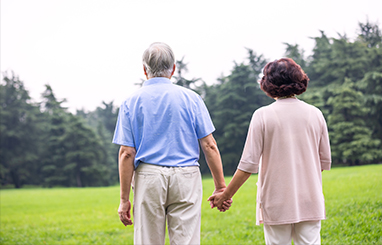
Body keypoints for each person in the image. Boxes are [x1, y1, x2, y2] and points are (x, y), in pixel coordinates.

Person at [112, 42, 231, 245]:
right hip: (186, 176)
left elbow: (126, 153)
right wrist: (220, 187)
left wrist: (124, 200)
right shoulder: (192, 99)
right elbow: (210, 145)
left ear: (144, 70)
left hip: (149, 177)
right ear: (173, 68)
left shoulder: (130, 102)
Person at [208, 58, 332, 245]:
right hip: (310, 201)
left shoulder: (262, 115)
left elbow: (247, 166)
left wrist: (226, 196)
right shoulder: (315, 114)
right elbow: (323, 163)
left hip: (276, 202)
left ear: (268, 84)